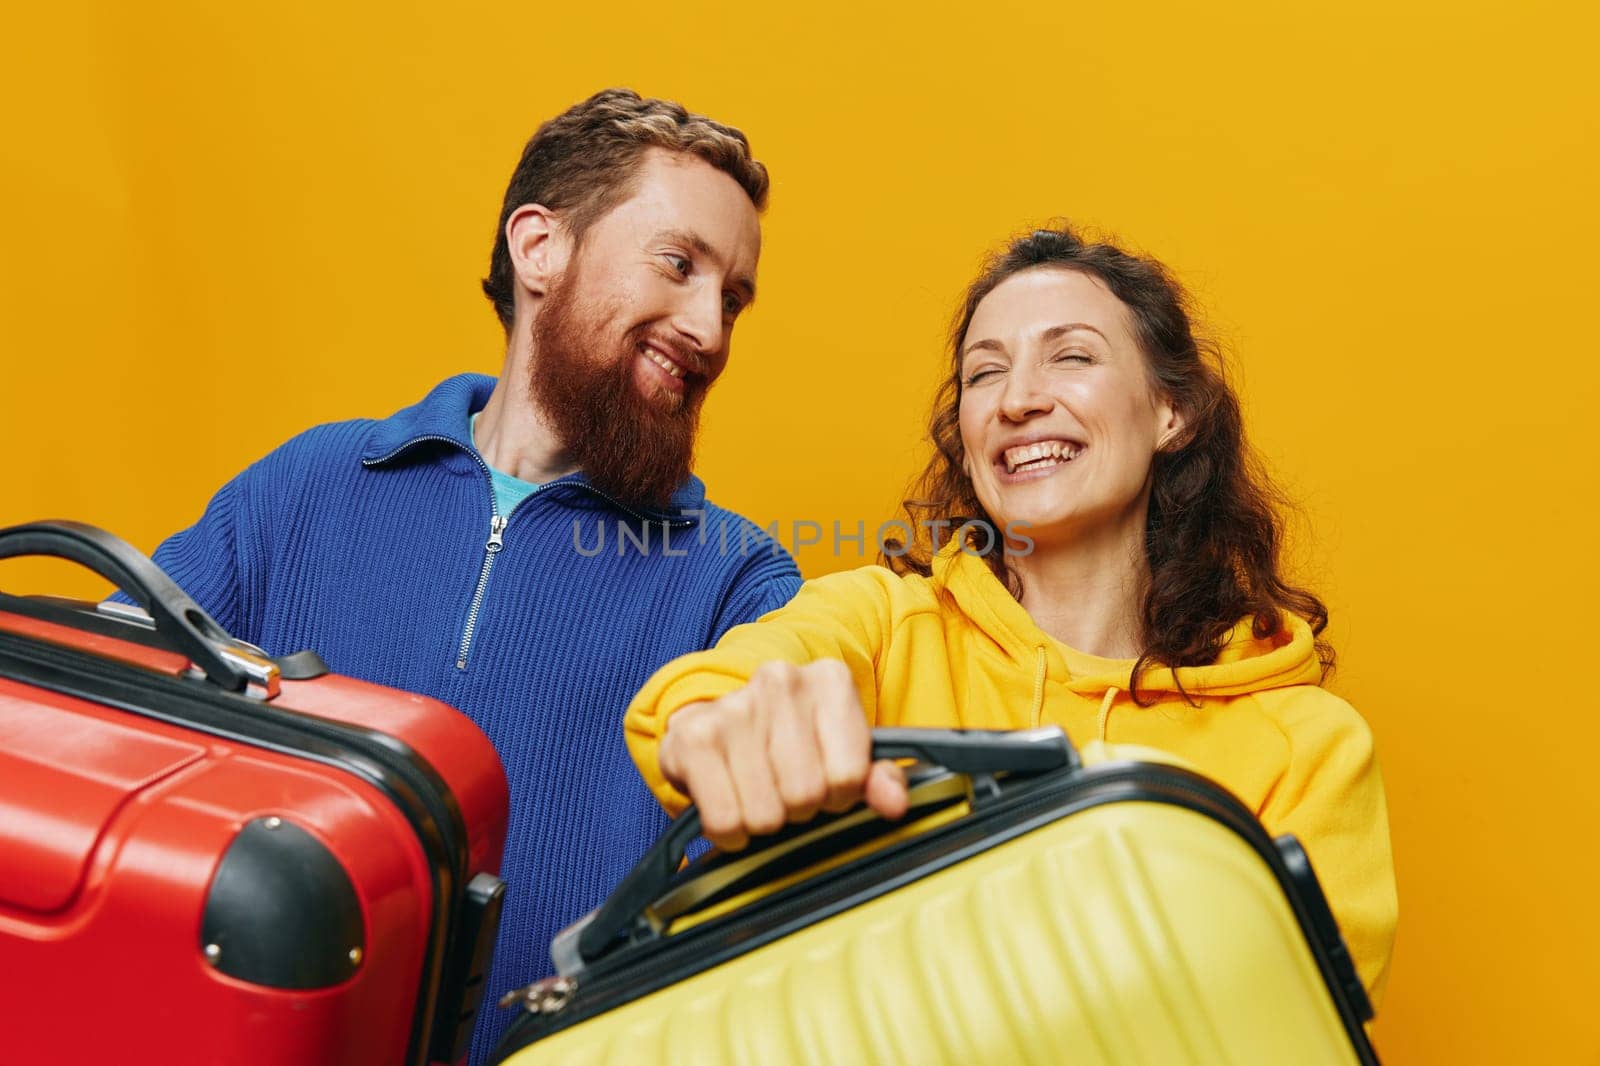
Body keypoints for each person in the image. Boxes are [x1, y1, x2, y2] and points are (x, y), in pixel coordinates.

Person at [120, 89, 801, 1062]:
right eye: (679, 264)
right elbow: (106, 717)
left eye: (732, 298)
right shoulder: (307, 486)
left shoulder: (738, 583)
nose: (709, 328)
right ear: (539, 248)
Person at [624, 225, 1399, 1005]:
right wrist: (722, 726)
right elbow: (722, 689)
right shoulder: (883, 625)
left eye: (1072, 356)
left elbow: (1283, 1024)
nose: (1019, 400)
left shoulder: (1307, 748)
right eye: (984, 374)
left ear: (1173, 412)